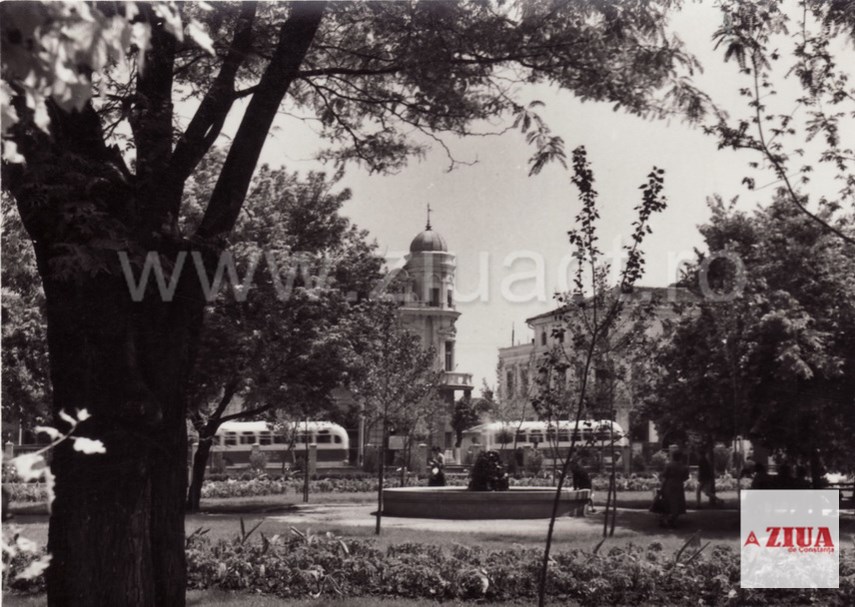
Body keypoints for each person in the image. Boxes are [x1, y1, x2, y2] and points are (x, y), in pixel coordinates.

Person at [659, 450, 689, 527]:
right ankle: (673, 519)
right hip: (679, 485)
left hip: (669, 485)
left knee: (667, 502)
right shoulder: (684, 467)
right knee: (677, 502)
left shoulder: (669, 465)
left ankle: (666, 519)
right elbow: (686, 477)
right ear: (680, 457)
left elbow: (664, 476)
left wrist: (662, 487)